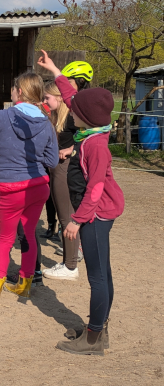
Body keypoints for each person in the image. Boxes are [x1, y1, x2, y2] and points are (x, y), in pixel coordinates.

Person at [38, 50, 125, 355]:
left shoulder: (96, 145)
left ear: (84, 116)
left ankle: (92, 338)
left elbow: (96, 188)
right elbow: (71, 96)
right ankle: (99, 328)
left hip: (97, 214)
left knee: (98, 276)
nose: (70, 110)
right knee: (103, 271)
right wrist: (54, 70)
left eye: (75, 111)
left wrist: (77, 220)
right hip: (95, 211)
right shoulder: (90, 132)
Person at [0, 73, 59, 301]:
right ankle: (24, 284)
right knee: (28, 235)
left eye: (13, 88)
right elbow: (52, 161)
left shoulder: (5, 116)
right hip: (38, 187)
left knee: (6, 238)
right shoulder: (46, 123)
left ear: (19, 91)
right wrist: (33, 155)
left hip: (12, 187)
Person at [42, 80, 89, 280]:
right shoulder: (55, 117)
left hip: (64, 168)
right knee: (63, 215)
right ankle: (68, 262)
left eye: (47, 98)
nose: (45, 101)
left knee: (66, 216)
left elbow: (92, 134)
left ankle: (70, 266)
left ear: (59, 97)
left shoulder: (71, 118)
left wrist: (72, 148)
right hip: (55, 167)